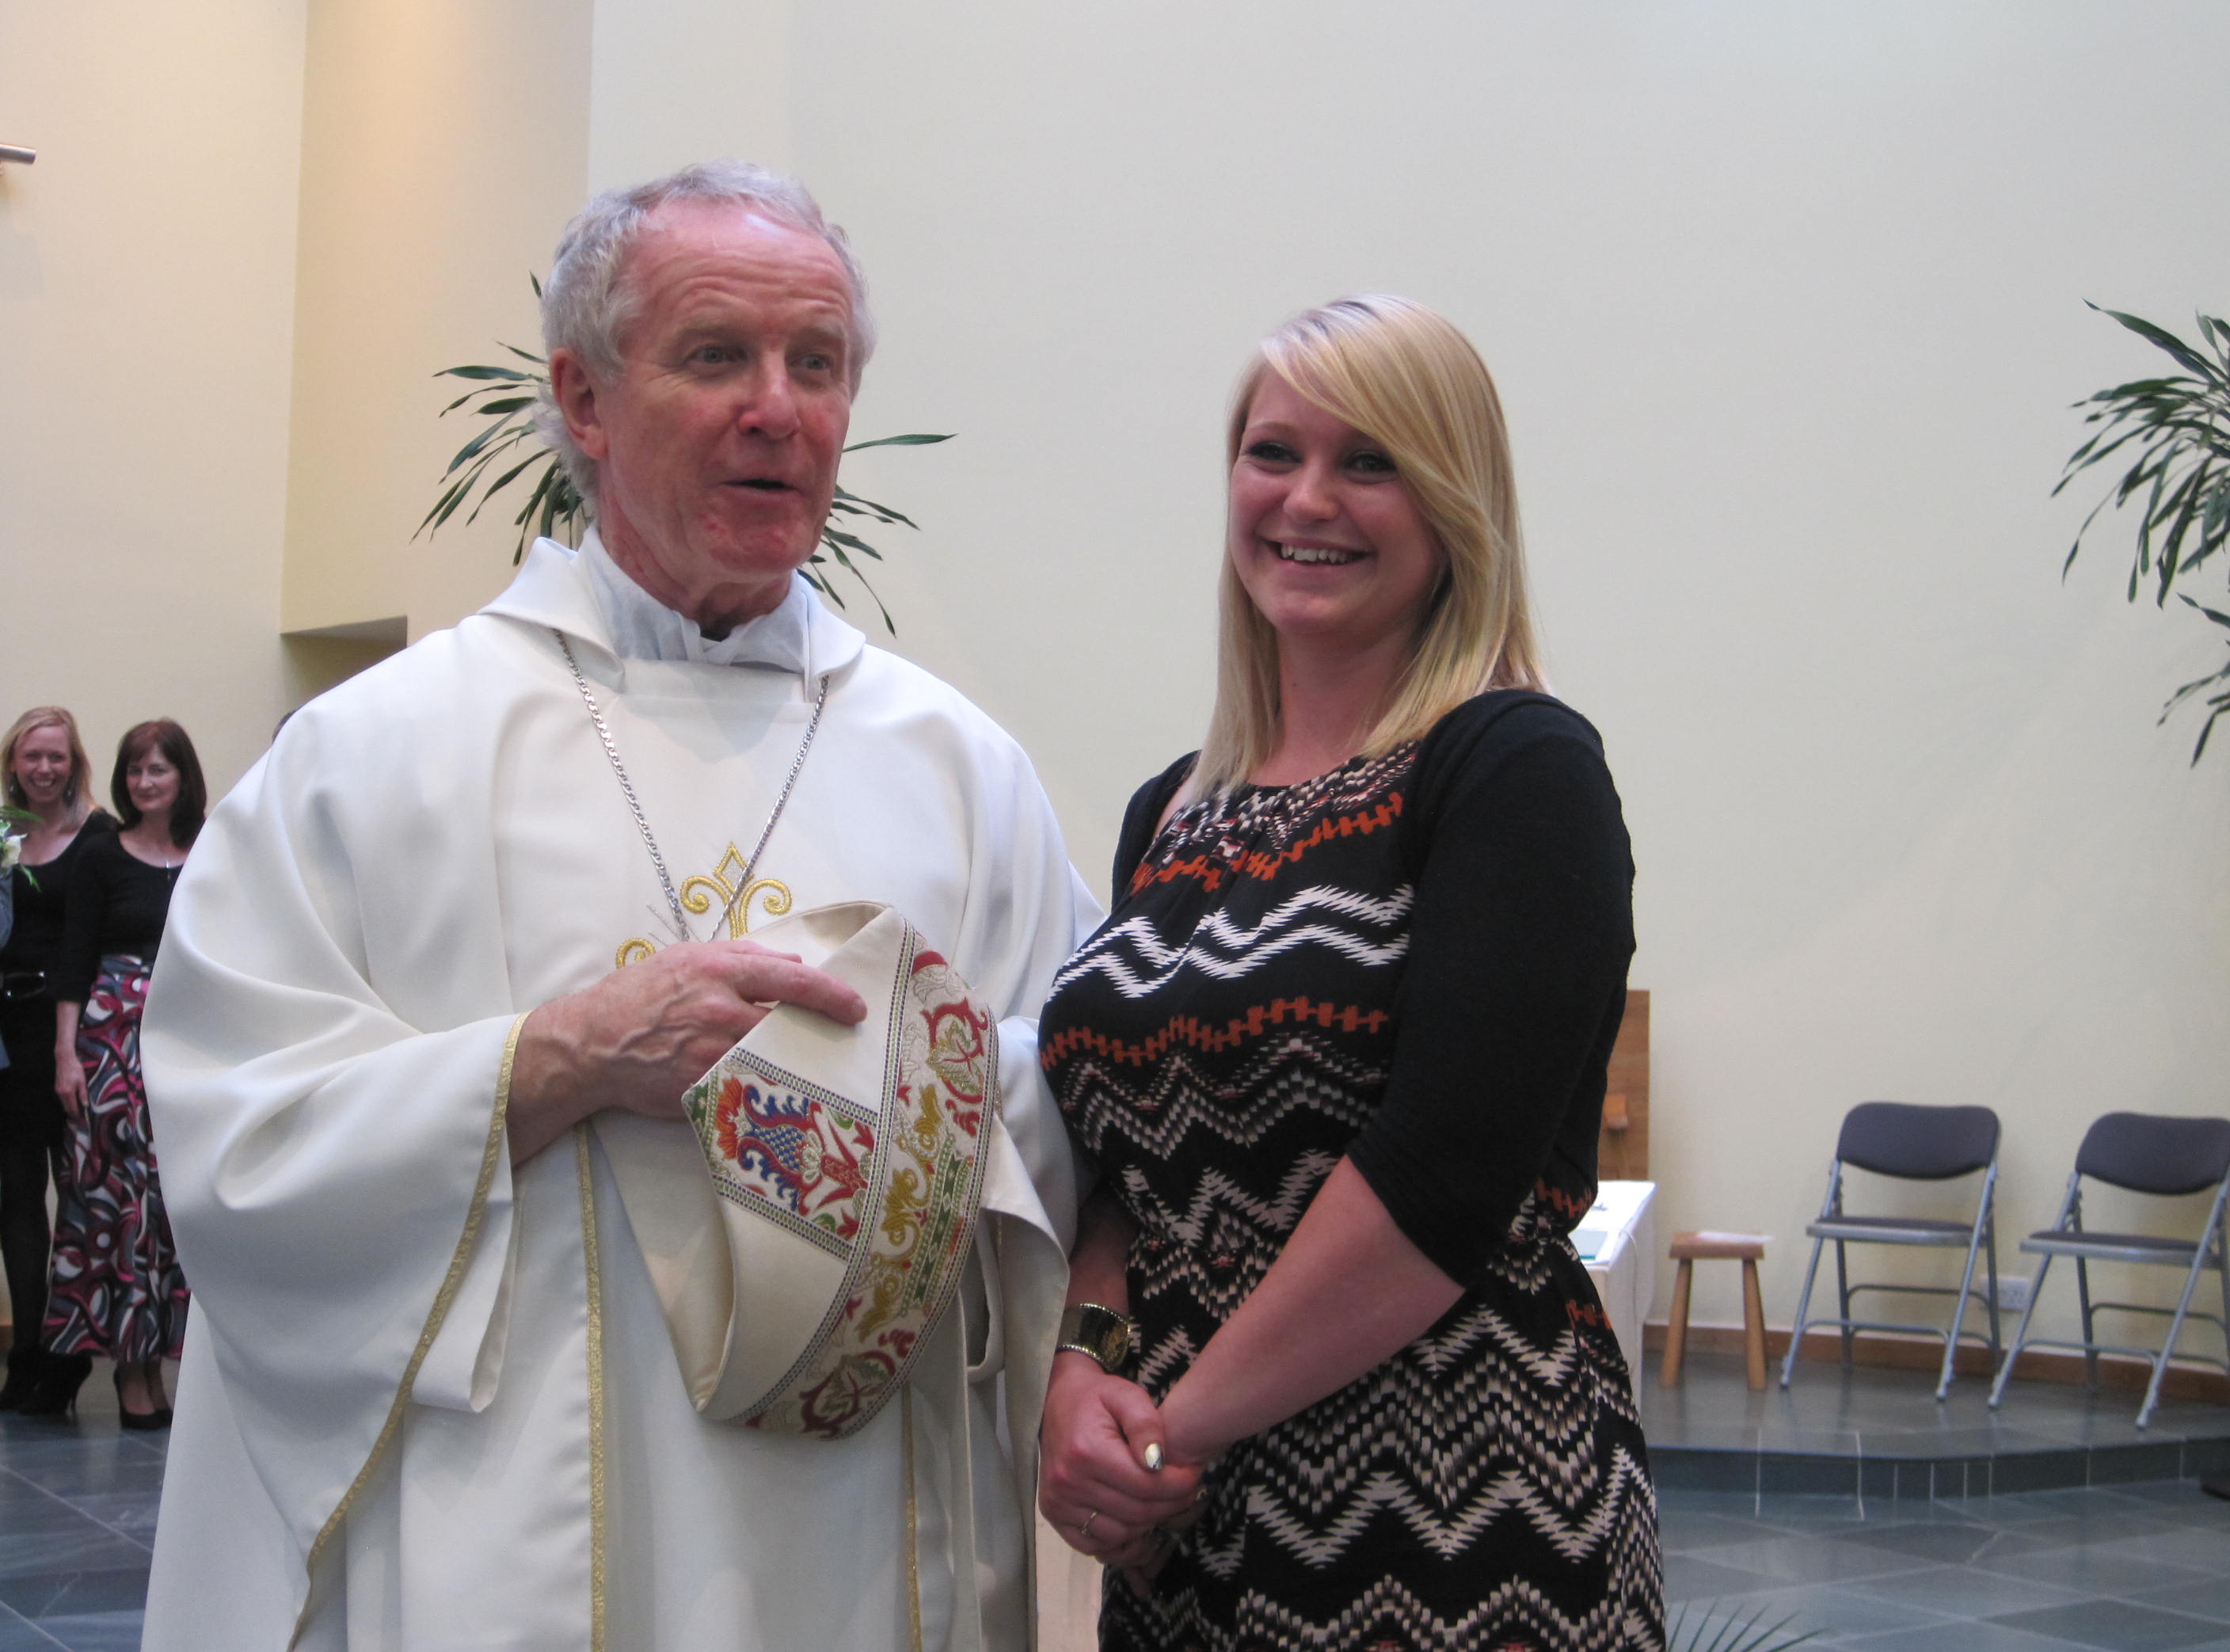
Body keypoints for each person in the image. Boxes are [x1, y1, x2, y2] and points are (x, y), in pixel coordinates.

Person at [139, 159, 1091, 1652]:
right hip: (509, 1530)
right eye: (716, 356)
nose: (777, 408)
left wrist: (917, 1083)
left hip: (862, 1531)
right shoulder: (374, 754)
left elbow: (1079, 1109)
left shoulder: (960, 769)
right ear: (583, 400)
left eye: (818, 364)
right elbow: (234, 1133)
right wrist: (561, 1059)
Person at [1036, 297, 1662, 1651]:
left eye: (1370, 461)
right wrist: (1086, 1366)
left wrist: (1165, 1436)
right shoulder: (1170, 810)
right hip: (1186, 1537)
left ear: (1453, 504)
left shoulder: (1514, 768)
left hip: (1455, 1513)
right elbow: (1121, 1173)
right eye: (1273, 452)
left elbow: (1440, 1183)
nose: (1308, 499)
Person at [47, 719, 200, 1426]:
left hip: (189, 1042)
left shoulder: (211, 851)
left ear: (183, 777)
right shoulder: (101, 856)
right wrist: (65, 1054)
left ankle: (165, 1363)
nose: (144, 782)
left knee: (174, 1203)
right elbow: (74, 959)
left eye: (157, 770)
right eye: (135, 771)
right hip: (110, 1047)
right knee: (117, 1202)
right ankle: (131, 1373)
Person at [0, 706, 114, 1415]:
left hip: (76, 1033)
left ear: (75, 764)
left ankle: (69, 1353)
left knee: (80, 1194)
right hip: (10, 1033)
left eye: (57, 757)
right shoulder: (2, 833)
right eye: (31, 757)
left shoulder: (99, 836)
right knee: (17, 1197)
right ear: (13, 764)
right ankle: (26, 1355)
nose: (44, 769)